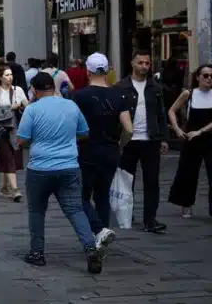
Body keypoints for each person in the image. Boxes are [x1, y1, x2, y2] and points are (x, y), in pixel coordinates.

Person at [17, 72, 103, 274]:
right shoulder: (71, 106)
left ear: (34, 90)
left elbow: (21, 140)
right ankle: (90, 248)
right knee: (75, 210)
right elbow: (84, 133)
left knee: (37, 211)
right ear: (53, 88)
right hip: (69, 167)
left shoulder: (32, 109)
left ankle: (37, 253)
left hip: (39, 169)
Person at [70, 53, 131, 252]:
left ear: (87, 71)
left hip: (86, 150)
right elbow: (129, 129)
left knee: (82, 197)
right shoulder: (118, 95)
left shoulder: (79, 96)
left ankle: (98, 231)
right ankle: (102, 233)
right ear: (107, 71)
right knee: (103, 195)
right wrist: (120, 144)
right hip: (111, 151)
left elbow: (72, 125)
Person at [114, 51, 170, 233]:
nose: (144, 66)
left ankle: (150, 220)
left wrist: (163, 139)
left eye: (147, 63)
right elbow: (114, 116)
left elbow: (161, 114)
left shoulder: (155, 87)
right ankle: (125, 214)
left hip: (150, 140)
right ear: (132, 63)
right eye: (140, 62)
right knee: (125, 180)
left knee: (152, 181)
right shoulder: (121, 87)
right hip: (128, 140)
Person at [168, 63, 212, 218]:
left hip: (209, 138)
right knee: (187, 172)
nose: (209, 79)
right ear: (197, 77)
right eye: (206, 75)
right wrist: (177, 129)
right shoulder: (189, 94)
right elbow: (172, 111)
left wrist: (200, 131)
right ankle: (185, 204)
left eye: (211, 76)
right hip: (191, 139)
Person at [0, 65, 28, 201]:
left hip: (16, 130)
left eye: (11, 75)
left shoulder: (18, 90)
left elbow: (28, 108)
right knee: (9, 159)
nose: (10, 77)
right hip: (1, 131)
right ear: (0, 77)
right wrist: (10, 108)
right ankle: (15, 190)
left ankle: (4, 187)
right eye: (7, 75)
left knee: (12, 158)